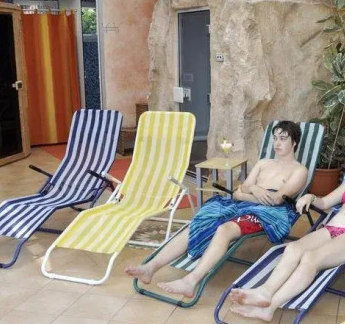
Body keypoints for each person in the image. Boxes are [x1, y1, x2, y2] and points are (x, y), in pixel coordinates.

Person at [124, 121, 308, 298]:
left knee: (224, 229)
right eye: (275, 138)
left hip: (269, 214)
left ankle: (190, 281)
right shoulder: (263, 163)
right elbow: (240, 191)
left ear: (294, 142)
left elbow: (275, 200)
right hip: (243, 205)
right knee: (200, 221)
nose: (277, 143)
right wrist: (254, 189)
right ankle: (150, 268)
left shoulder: (299, 171)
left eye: (283, 138)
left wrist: (248, 192)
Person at [229, 144, 345, 322]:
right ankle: (265, 292)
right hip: (330, 228)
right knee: (293, 249)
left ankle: (270, 308)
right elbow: (325, 202)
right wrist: (311, 197)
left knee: (311, 259)